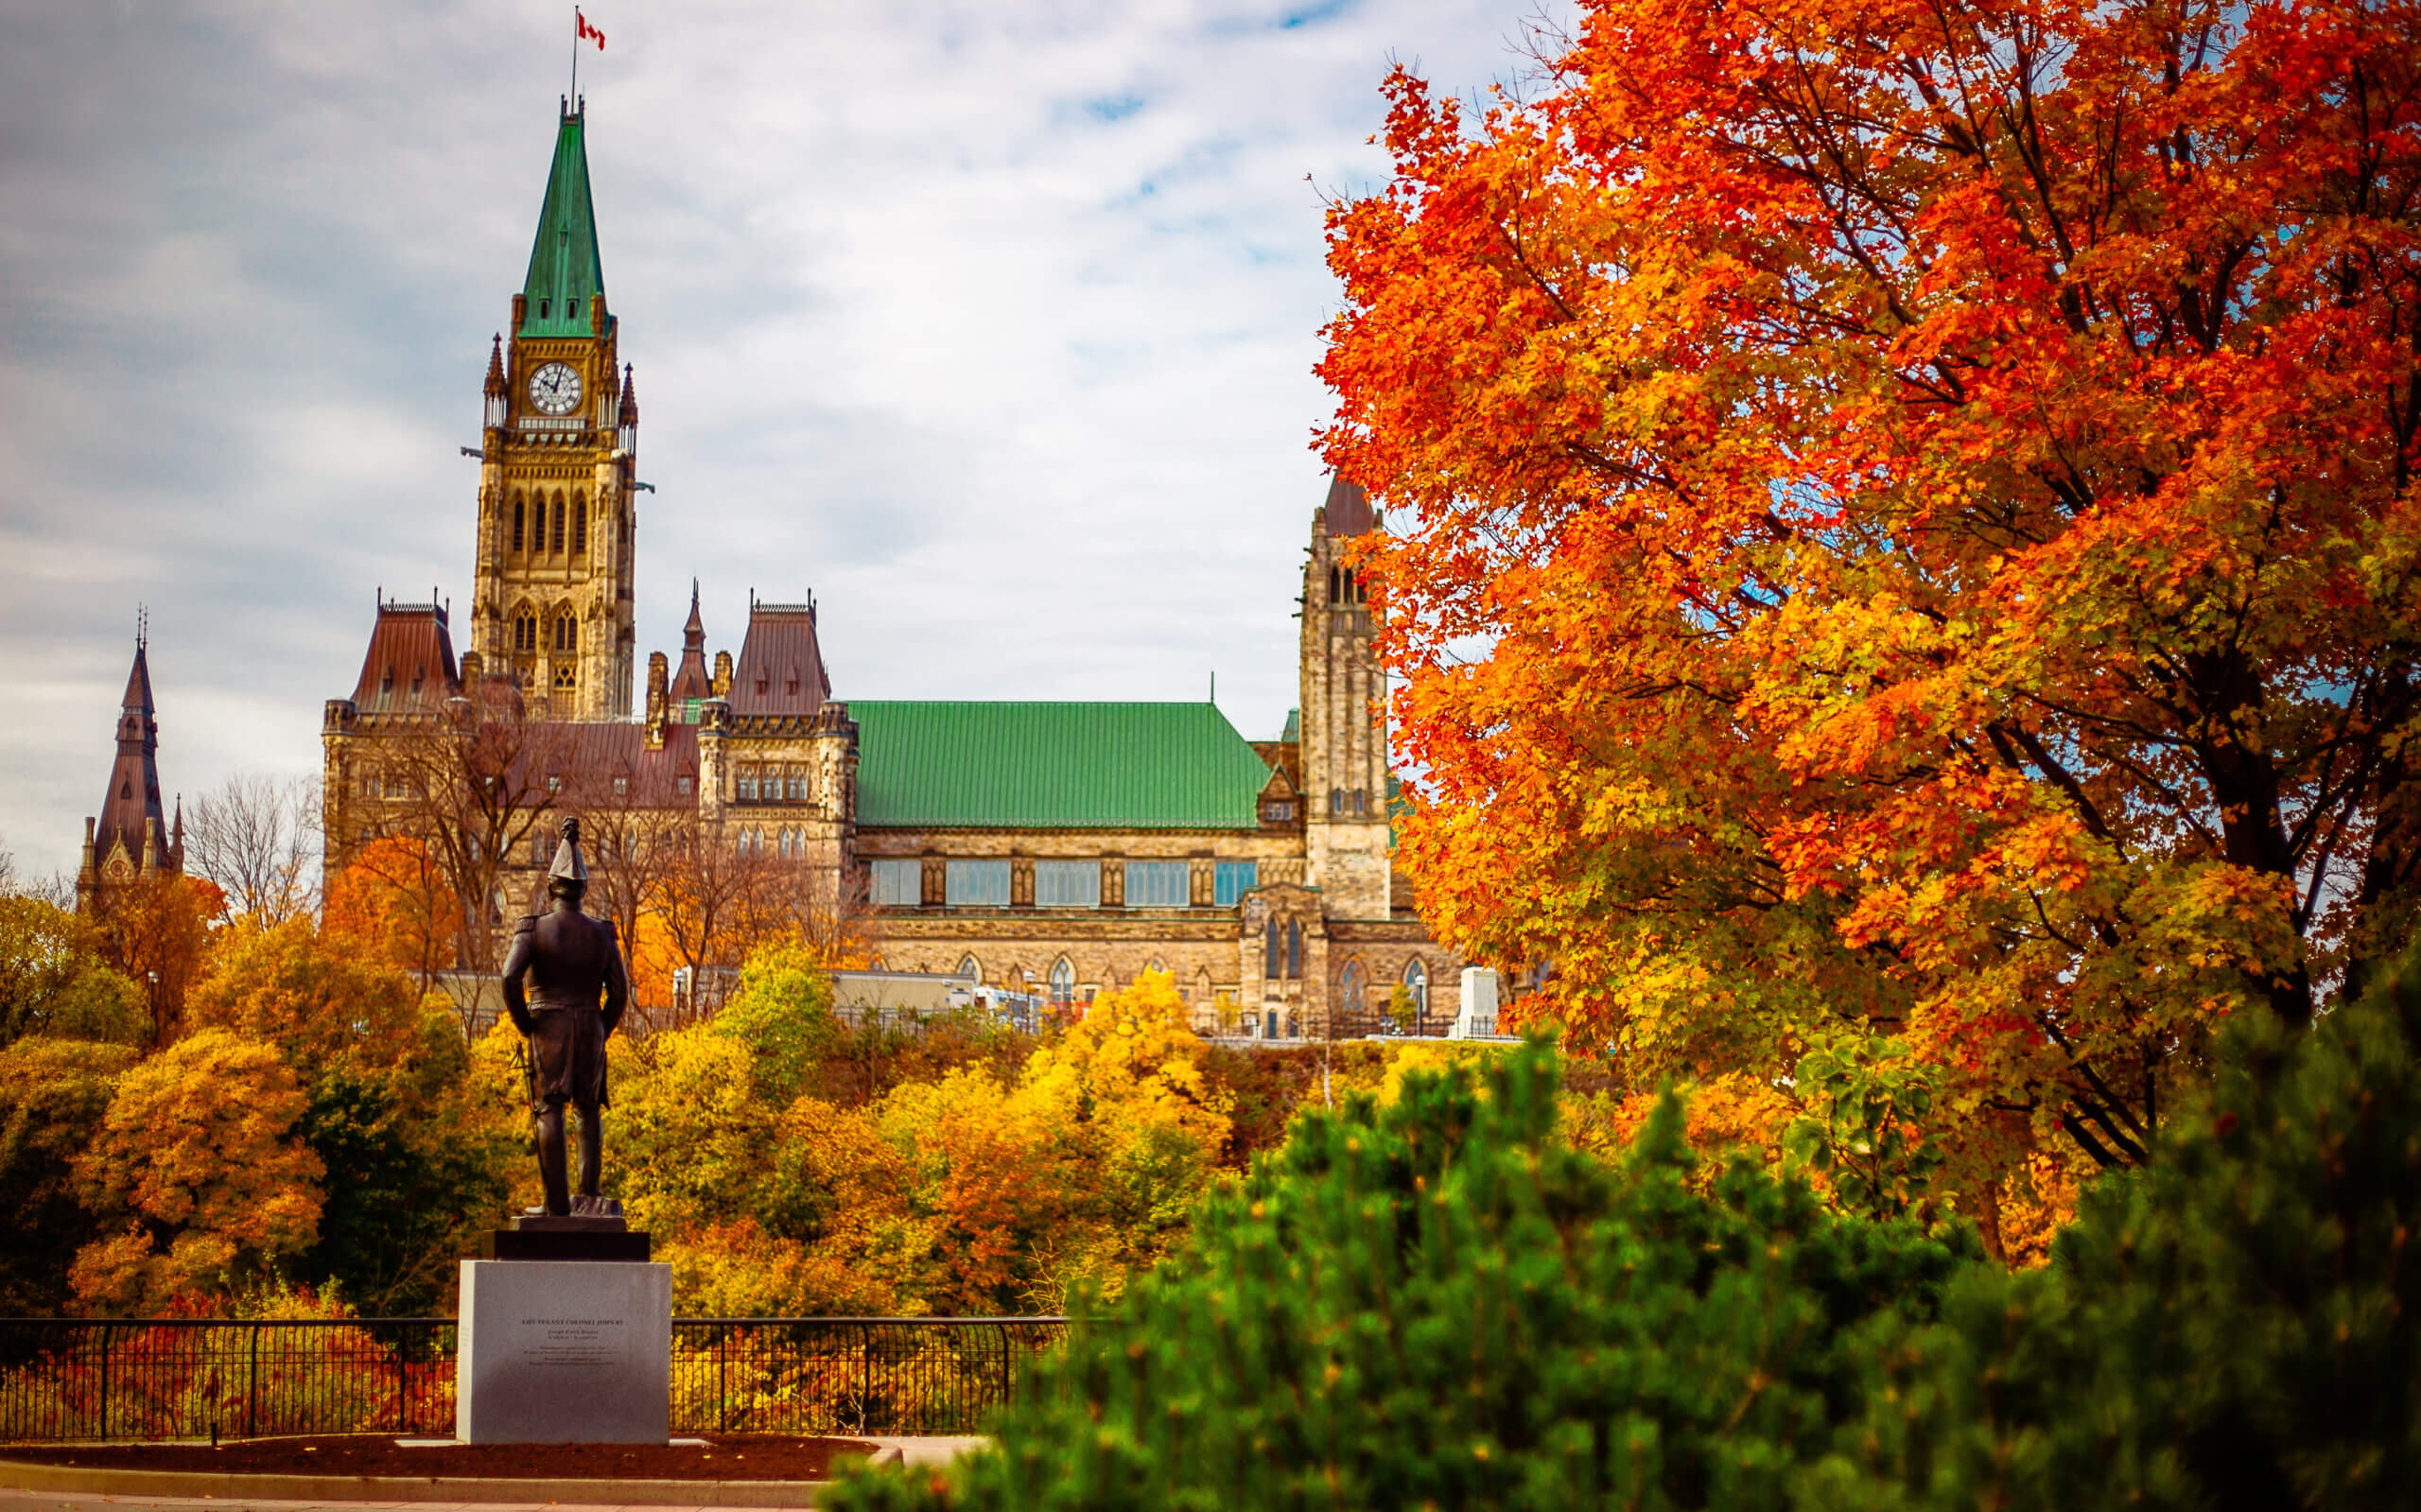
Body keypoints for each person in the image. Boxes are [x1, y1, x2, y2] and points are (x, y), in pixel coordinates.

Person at [499, 816, 630, 1217]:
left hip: (548, 1025)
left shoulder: (533, 930)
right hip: (590, 1025)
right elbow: (621, 991)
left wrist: (525, 1023)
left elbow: (509, 976)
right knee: (587, 1109)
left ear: (552, 887)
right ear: (582, 888)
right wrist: (601, 1027)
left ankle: (557, 1205)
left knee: (549, 1108)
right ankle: (588, 1197)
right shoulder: (602, 933)